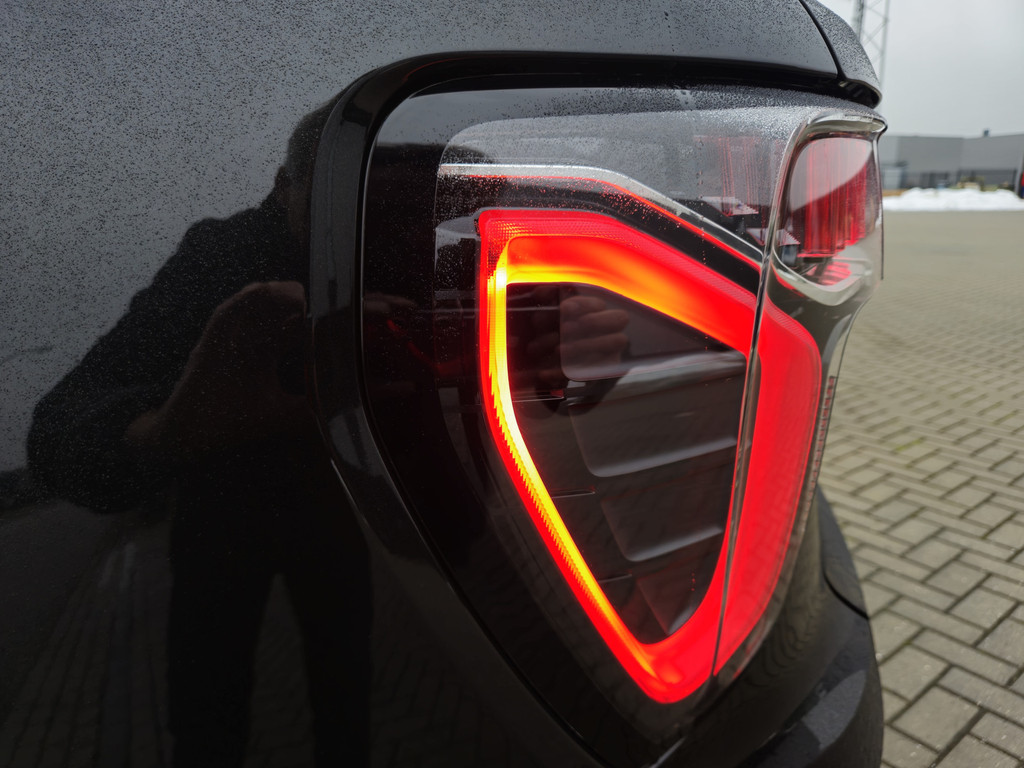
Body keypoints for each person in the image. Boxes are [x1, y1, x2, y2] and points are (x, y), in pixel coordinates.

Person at [28, 100, 369, 767]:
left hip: (339, 518)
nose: (355, 223)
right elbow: (58, 425)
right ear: (285, 186)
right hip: (224, 517)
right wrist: (165, 433)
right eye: (334, 195)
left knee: (346, 698)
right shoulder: (221, 254)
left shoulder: (400, 255)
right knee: (210, 711)